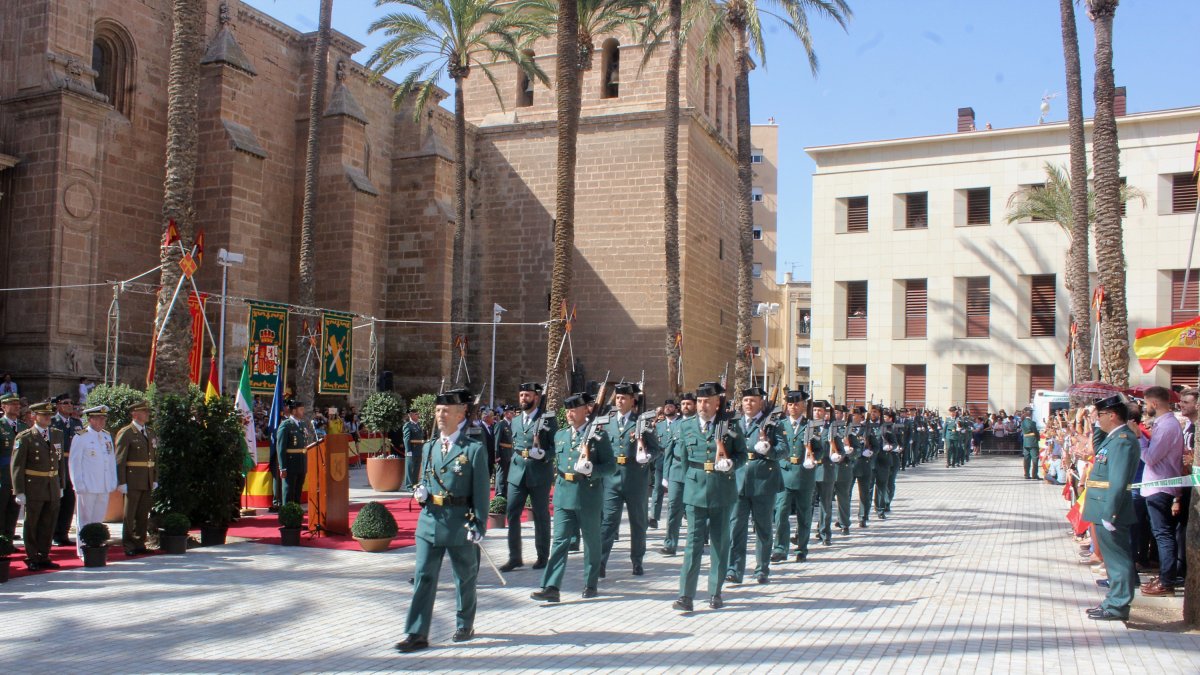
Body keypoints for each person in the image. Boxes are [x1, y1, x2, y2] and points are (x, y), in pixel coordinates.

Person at [395, 388, 489, 653]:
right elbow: (426, 477)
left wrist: (480, 524)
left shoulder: (473, 450)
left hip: (459, 522)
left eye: (445, 410)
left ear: (461, 413)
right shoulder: (430, 446)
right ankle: (417, 632)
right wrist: (421, 491)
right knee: (423, 575)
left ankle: (464, 623)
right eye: (437, 410)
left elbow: (481, 491)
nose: (439, 415)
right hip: (429, 520)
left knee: (465, 576)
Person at [531, 392, 612, 602]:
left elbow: (611, 467)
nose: (569, 413)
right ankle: (551, 586)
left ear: (586, 410)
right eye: (567, 409)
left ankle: (590, 582)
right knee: (559, 541)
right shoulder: (561, 436)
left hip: (588, 494)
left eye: (574, 409)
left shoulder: (599, 437)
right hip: (563, 493)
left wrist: (591, 469)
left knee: (591, 541)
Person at [673, 381, 737, 611]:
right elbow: (682, 458)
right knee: (692, 544)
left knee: (720, 544)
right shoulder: (686, 426)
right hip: (695, 489)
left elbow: (739, 454)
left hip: (721, 489)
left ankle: (715, 592)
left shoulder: (729, 424)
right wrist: (685, 488)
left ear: (717, 402)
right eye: (700, 401)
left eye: (707, 401)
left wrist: (730, 463)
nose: (702, 406)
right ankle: (686, 596)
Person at [599, 382, 658, 578]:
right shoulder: (607, 423)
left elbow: (657, 449)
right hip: (612, 479)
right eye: (617, 397)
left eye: (623, 398)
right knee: (608, 522)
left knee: (638, 522)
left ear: (633, 400)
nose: (619, 401)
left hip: (635, 479)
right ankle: (600, 562)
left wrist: (646, 457)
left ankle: (637, 561)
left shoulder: (642, 423)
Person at [500, 383, 557, 572]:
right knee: (512, 513)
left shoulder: (548, 420)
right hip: (517, 472)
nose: (523, 398)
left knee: (541, 515)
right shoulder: (515, 421)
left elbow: (556, 447)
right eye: (521, 394)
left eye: (528, 395)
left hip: (539, 472)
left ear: (536, 397)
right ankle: (514, 557)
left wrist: (545, 455)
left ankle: (542, 556)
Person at [1138, 386, 1185, 596]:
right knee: (1161, 534)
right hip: (1157, 485)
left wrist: (1139, 438)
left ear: (1154, 403)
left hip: (1161, 486)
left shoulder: (1167, 426)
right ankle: (1165, 576)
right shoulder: (1164, 424)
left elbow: (1151, 458)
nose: (1146, 407)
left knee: (1163, 535)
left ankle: (1167, 581)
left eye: (1147, 403)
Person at [11, 401, 64, 570]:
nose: (48, 418)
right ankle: (32, 556)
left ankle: (44, 554)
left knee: (48, 522)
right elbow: (17, 466)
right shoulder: (25, 437)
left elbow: (59, 460)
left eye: (49, 415)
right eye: (44, 415)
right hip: (34, 486)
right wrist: (19, 491)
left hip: (52, 485)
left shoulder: (56, 434)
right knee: (32, 523)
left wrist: (61, 483)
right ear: (34, 416)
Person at [772, 390, 816, 563]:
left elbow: (819, 449)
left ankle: (802, 548)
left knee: (804, 514)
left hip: (804, 474)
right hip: (784, 472)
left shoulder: (811, 426)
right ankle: (780, 548)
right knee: (781, 512)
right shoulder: (780, 425)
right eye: (790, 404)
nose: (793, 407)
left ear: (803, 406)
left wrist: (814, 458)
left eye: (796, 404)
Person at [70, 405, 118, 558]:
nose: (102, 421)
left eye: (104, 418)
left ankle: (96, 545)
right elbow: (74, 463)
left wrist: (112, 481)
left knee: (98, 518)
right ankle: (83, 549)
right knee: (85, 519)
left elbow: (110, 461)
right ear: (90, 419)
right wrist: (78, 484)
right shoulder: (81, 436)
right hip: (87, 485)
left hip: (103, 484)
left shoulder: (106, 436)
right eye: (98, 418)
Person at [116, 400, 157, 556]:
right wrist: (121, 482)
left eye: (147, 411)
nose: (147, 414)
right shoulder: (126, 432)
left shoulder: (150, 432)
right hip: (132, 480)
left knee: (142, 514)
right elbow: (120, 460)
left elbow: (155, 458)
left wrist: (155, 477)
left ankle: (140, 542)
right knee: (130, 514)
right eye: (144, 411)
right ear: (134, 414)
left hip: (146, 479)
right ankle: (128, 544)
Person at [659, 393, 694, 556]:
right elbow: (669, 453)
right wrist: (666, 476)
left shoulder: (700, 424)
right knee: (673, 508)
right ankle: (670, 543)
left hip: (695, 471)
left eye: (689, 404)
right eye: (684, 404)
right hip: (676, 470)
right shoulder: (675, 426)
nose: (686, 406)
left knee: (694, 510)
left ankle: (697, 542)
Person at [50, 393, 83, 546]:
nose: (70, 405)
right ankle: (53, 532)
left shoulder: (77, 423)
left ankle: (63, 532)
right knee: (57, 500)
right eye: (66, 403)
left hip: (72, 463)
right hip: (57, 462)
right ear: (58, 405)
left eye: (71, 403)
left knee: (70, 499)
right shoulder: (52, 422)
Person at [650, 399, 681, 529]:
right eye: (666, 406)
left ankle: (681, 513)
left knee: (677, 489)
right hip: (661, 459)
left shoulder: (681, 423)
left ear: (676, 409)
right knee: (658, 488)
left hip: (676, 459)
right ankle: (654, 517)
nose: (668, 408)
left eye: (671, 406)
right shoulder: (659, 425)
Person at [275, 399, 312, 506]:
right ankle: (287, 515)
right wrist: (283, 467)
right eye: (301, 410)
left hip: (301, 462)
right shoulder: (286, 425)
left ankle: (296, 514)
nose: (303, 412)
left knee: (298, 491)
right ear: (294, 411)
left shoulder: (303, 424)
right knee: (289, 491)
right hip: (290, 464)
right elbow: (280, 447)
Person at [0, 392, 26, 540]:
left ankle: (8, 540)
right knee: (1, 507)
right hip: (3, 474)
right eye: (12, 404)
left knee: (14, 508)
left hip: (18, 475)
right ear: (3, 406)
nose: (17, 407)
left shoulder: (22, 427)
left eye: (18, 404)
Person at [831, 405, 858, 537]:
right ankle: (822, 526)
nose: (835, 415)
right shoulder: (825, 429)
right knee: (825, 500)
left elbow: (857, 451)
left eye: (838, 413)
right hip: (828, 468)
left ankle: (844, 523)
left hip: (843, 469)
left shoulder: (848, 431)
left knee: (843, 498)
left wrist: (850, 451)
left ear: (843, 415)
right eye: (833, 412)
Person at [851, 406, 877, 528]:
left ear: (861, 416)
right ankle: (843, 518)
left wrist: (870, 453)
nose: (851, 417)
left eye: (854, 415)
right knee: (846, 493)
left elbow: (876, 446)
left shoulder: (868, 429)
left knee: (864, 493)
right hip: (850, 465)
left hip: (864, 464)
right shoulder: (846, 428)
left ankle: (863, 516)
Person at [401, 409, 425, 490]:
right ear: (410, 415)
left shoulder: (418, 425)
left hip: (419, 450)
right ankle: (409, 486)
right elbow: (406, 439)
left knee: (416, 468)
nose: (418, 415)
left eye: (418, 414)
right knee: (410, 469)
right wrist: (408, 451)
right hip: (412, 450)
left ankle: (415, 484)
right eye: (416, 414)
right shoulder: (408, 425)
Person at [1021, 407, 1040, 479]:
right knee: (1035, 459)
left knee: (1026, 458)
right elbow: (1035, 432)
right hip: (1033, 442)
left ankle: (1026, 474)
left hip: (1026, 442)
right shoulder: (1032, 423)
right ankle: (1034, 475)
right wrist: (1038, 438)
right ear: (1030, 413)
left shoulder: (1022, 422)